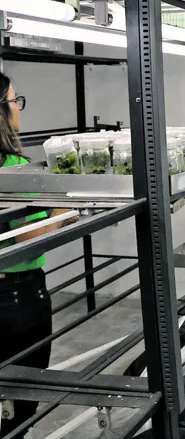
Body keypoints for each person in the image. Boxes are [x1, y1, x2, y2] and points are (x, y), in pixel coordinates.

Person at [0, 73, 71, 437]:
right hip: (15, 298)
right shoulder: (11, 169)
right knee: (17, 408)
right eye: (15, 100)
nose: (19, 108)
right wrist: (63, 205)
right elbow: (30, 237)